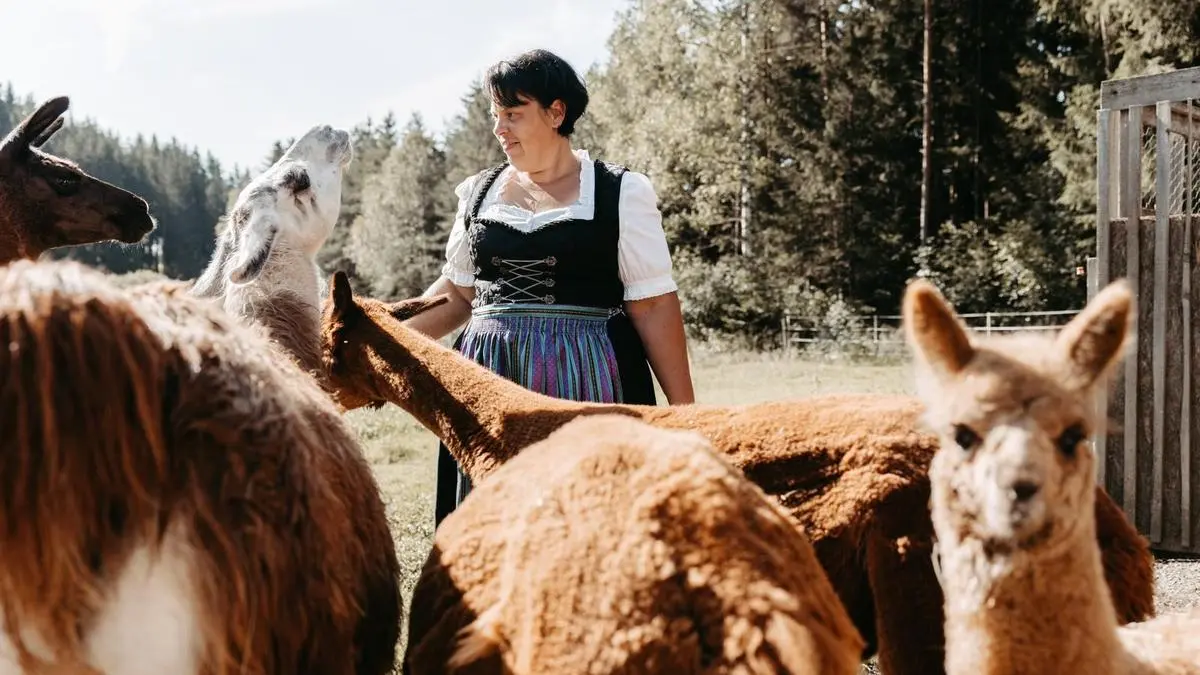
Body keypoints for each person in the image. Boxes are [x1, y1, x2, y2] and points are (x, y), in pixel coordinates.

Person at [404, 48, 695, 528]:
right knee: (492, 528)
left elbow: (653, 306)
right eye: (496, 116)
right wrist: (385, 336)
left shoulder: (619, 192)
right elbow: (458, 297)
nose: (500, 129)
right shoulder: (478, 193)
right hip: (490, 384)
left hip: (591, 383)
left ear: (556, 112)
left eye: (513, 115)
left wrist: (686, 418)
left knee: (594, 525)